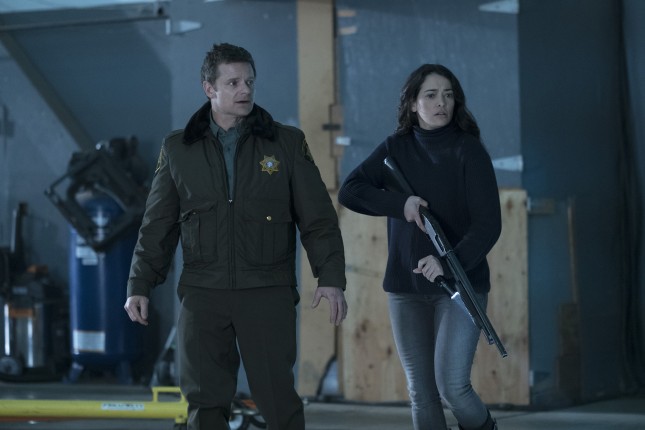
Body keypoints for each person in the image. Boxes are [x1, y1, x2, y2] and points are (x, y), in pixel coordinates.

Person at [124, 42, 347, 430]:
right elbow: (157, 224)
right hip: (202, 293)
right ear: (209, 88)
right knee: (204, 403)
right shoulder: (178, 149)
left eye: (249, 81)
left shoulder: (286, 143)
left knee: (278, 400)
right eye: (233, 83)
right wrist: (139, 284)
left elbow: (318, 220)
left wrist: (330, 278)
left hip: (267, 291)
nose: (245, 89)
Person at [338, 64, 502, 430]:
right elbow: (350, 190)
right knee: (421, 393)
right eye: (431, 95)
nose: (441, 102)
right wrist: (401, 204)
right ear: (413, 103)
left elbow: (489, 225)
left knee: (453, 388)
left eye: (448, 95)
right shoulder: (395, 147)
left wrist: (448, 261)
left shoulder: (469, 151)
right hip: (406, 289)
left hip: (459, 286)